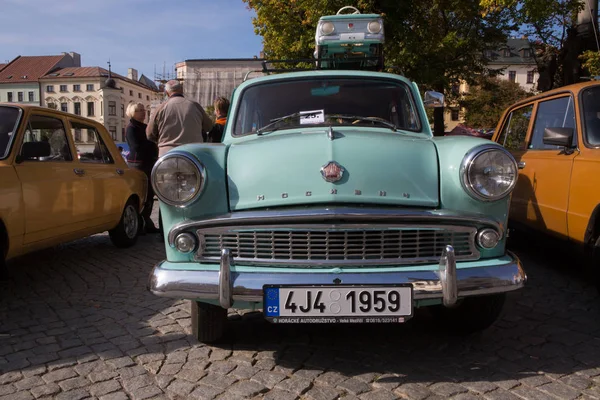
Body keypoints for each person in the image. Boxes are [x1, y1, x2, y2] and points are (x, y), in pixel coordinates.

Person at [147, 80, 213, 156]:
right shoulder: (195, 105)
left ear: (167, 93)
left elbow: (149, 134)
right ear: (182, 90)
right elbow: (209, 127)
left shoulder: (160, 108)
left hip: (167, 154)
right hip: (193, 153)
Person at [125, 102, 160, 234]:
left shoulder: (145, 126)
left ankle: (147, 221)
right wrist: (151, 144)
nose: (143, 112)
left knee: (150, 193)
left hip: (149, 162)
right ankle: (140, 222)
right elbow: (135, 146)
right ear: (132, 112)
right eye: (139, 110)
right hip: (138, 164)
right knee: (141, 193)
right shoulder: (131, 128)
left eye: (143, 109)